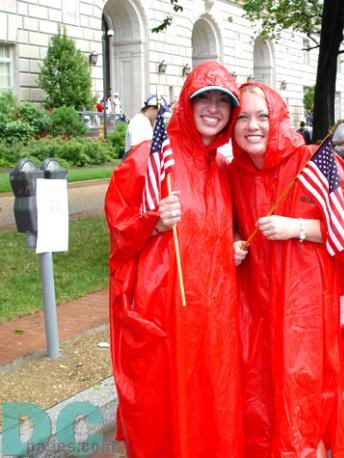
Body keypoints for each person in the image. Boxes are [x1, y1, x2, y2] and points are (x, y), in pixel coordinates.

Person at [229, 82, 344, 457]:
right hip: (256, 305)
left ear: (278, 119)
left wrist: (296, 228)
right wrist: (236, 239)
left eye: (261, 116)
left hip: (307, 307)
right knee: (265, 394)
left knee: (304, 396)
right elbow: (233, 223)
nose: (252, 126)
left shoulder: (310, 162)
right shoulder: (234, 171)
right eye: (242, 118)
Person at [105, 61, 244, 457]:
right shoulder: (149, 157)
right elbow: (118, 227)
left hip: (214, 316)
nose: (214, 109)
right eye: (205, 98)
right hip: (165, 308)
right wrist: (151, 222)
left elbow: (223, 224)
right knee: (164, 410)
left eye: (223, 101)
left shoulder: (221, 167)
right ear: (188, 101)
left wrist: (232, 243)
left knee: (210, 407)